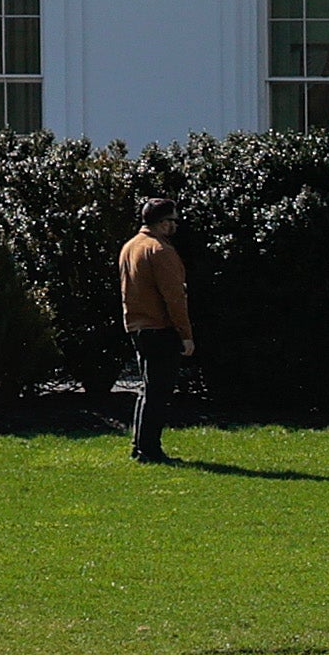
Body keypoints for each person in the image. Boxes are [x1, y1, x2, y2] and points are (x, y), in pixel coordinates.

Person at [116, 198, 197, 465]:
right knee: (158, 391)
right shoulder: (160, 250)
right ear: (162, 223)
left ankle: (140, 446)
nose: (175, 225)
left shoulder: (130, 247)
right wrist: (185, 333)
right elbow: (174, 297)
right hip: (160, 327)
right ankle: (149, 450)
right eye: (173, 220)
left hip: (138, 326)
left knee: (148, 389)